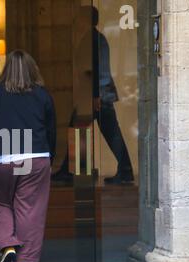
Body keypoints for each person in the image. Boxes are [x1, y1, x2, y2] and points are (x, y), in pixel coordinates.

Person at [0, 50, 57, 262]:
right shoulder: (42, 95)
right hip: (36, 157)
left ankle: (7, 244)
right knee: (30, 209)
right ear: (33, 69)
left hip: (3, 157)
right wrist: (50, 157)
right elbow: (51, 130)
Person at [52, 6, 134, 184]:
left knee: (97, 132)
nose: (76, 21)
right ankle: (73, 170)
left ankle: (72, 171)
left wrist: (95, 96)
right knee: (88, 131)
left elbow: (93, 69)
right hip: (97, 94)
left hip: (96, 96)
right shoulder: (95, 38)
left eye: (80, 17)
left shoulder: (92, 39)